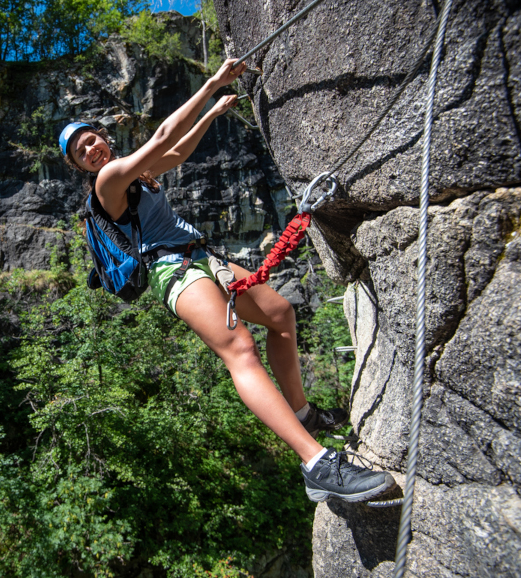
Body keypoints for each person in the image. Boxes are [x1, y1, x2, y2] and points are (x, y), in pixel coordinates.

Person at [58, 58, 394, 503]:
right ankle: (315, 463)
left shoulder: (137, 174)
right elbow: (161, 138)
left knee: (280, 314)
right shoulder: (108, 181)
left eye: (91, 139)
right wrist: (213, 84)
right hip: (170, 271)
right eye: (80, 151)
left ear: (102, 136)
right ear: (80, 165)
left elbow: (174, 153)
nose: (91, 149)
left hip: (200, 254)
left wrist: (213, 115)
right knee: (240, 349)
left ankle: (303, 413)